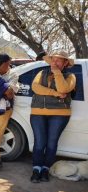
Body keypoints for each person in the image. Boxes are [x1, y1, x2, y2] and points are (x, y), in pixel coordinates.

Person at [30, 51, 76, 183]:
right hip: (38, 112)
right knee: (39, 143)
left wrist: (57, 73)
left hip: (60, 114)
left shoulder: (70, 76)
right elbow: (35, 87)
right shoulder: (42, 73)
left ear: (65, 63)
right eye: (53, 60)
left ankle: (45, 169)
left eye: (58, 61)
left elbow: (63, 89)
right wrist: (54, 93)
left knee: (51, 143)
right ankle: (36, 169)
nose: (54, 63)